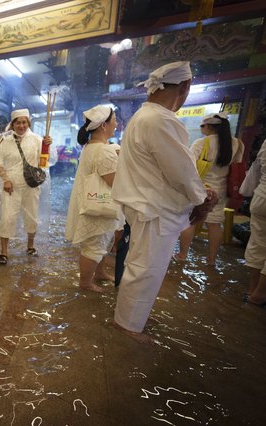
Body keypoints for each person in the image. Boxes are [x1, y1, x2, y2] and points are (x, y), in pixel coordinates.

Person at [111, 61, 217, 344]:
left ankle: (135, 315)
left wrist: (197, 195)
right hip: (153, 207)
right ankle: (128, 324)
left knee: (145, 265)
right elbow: (181, 170)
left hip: (147, 205)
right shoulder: (161, 120)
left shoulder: (142, 117)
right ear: (184, 87)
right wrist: (200, 198)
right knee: (145, 268)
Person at [65, 105, 122, 293]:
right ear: (104, 125)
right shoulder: (103, 151)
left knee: (101, 241)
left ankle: (99, 273)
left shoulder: (91, 147)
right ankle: (85, 283)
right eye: (113, 120)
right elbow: (114, 182)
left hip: (89, 200)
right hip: (98, 203)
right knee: (94, 246)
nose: (116, 123)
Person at [175, 112, 244, 264]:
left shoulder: (202, 143)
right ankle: (211, 259)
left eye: (202, 126)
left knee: (190, 221)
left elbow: (189, 165)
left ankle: (182, 255)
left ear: (208, 126)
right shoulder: (236, 143)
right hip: (221, 190)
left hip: (201, 188)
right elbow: (236, 165)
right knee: (215, 225)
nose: (201, 129)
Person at [0, 109, 52, 264]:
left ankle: (30, 246)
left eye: (24, 122)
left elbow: (44, 162)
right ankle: (4, 252)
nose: (21, 125)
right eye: (18, 122)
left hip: (31, 186)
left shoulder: (36, 139)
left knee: (31, 217)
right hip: (10, 187)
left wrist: (47, 147)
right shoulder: (5, 140)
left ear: (28, 123)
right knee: (7, 217)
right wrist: (5, 180)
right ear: (13, 124)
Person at [242, 141, 266, 307]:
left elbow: (256, 168)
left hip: (261, 196)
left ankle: (252, 290)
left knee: (257, 243)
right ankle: (260, 294)